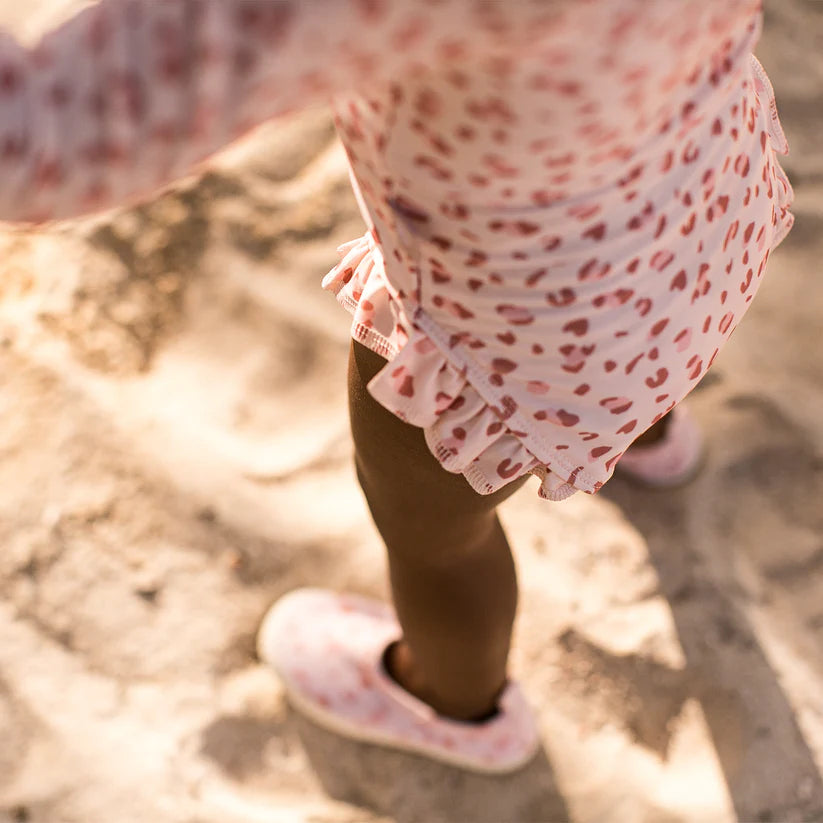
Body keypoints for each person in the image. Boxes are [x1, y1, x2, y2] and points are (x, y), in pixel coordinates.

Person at [0, 0, 793, 772]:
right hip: (711, 199)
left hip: (512, 333)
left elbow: (38, 148)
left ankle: (456, 700)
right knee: (643, 329)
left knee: (436, 543)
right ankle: (650, 437)